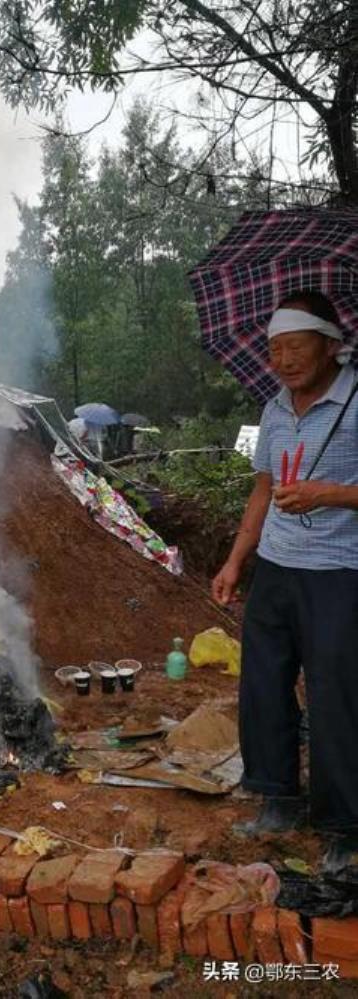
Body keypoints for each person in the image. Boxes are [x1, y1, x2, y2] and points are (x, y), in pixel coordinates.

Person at [212, 290, 358, 873]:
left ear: (330, 345)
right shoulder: (275, 409)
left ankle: (345, 824)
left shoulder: (354, 402)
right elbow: (263, 491)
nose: (283, 360)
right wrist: (234, 561)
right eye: (274, 350)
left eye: (295, 347)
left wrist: (329, 494)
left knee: (336, 696)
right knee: (263, 684)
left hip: (339, 572)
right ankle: (277, 798)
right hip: (275, 565)